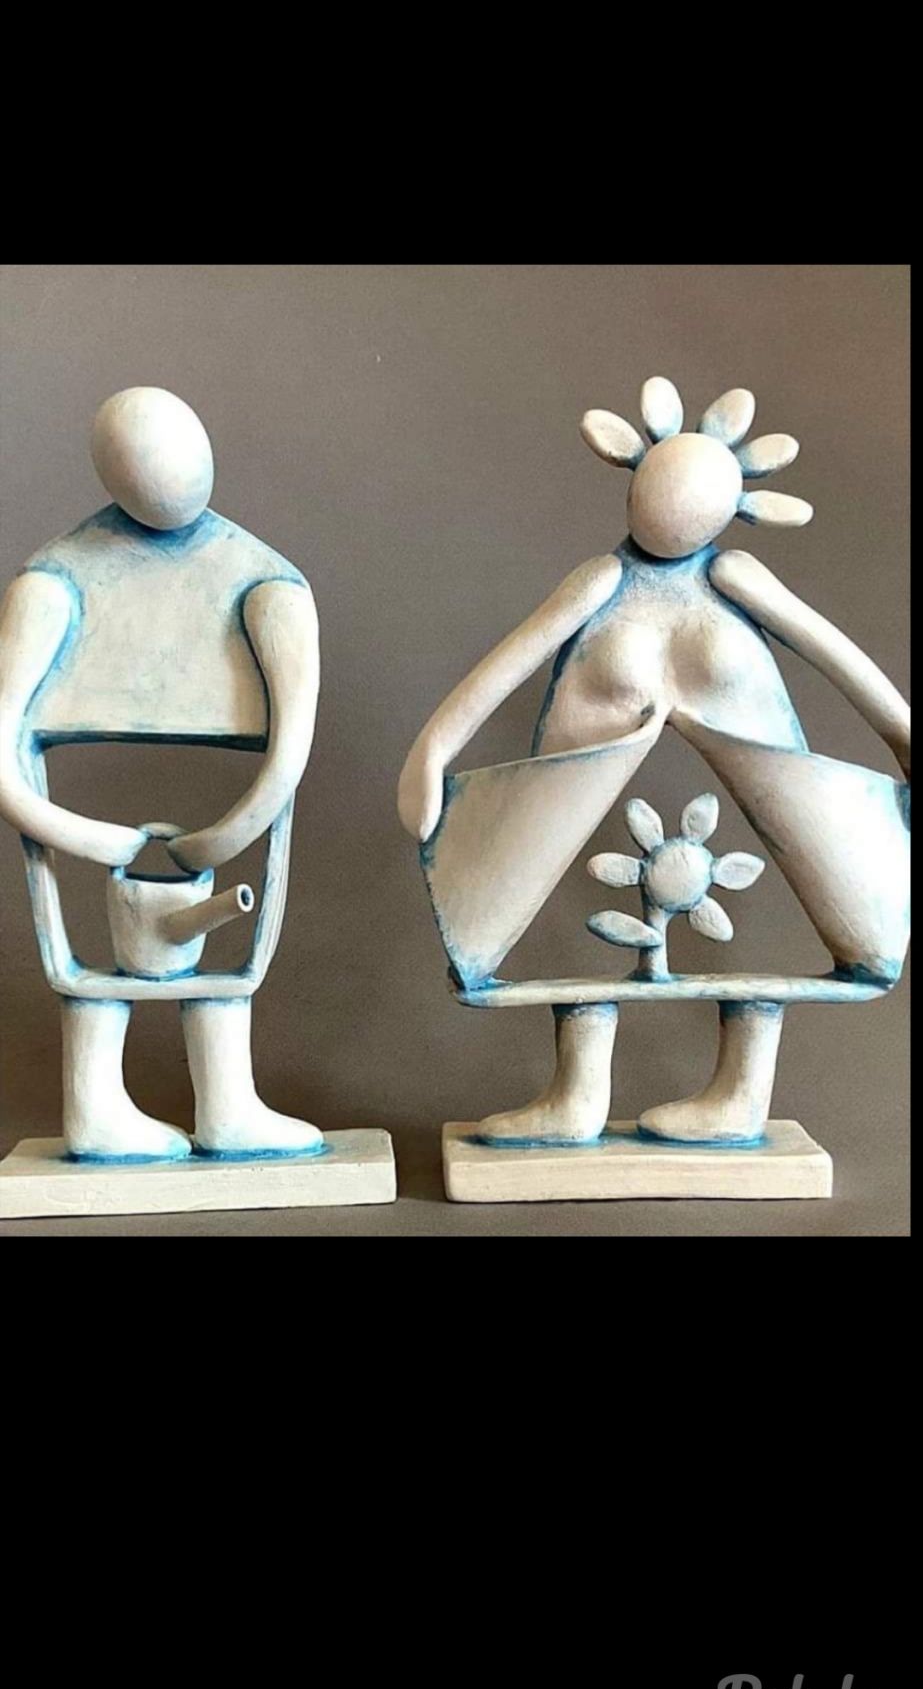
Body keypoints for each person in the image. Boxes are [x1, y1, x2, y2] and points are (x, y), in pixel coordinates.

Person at [399, 379, 910, 1143]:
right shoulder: (600, 583)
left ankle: (737, 1099)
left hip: (796, 796)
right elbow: (504, 668)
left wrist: (903, 738)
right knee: (481, 940)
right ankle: (573, 1102)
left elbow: (838, 658)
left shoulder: (735, 580)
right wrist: (432, 750)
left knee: (863, 940)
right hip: (553, 799)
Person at [0, 388, 322, 1160]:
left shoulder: (266, 587)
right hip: (113, 845)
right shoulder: (52, 585)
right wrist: (82, 835)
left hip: (209, 844)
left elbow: (289, 750)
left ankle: (229, 1109)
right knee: (95, 982)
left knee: (219, 980)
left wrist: (224, 837)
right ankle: (96, 1113)